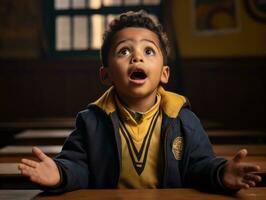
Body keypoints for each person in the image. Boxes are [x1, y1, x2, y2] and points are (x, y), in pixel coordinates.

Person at [18, 10, 261, 193]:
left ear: (164, 73)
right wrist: (59, 173)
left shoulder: (183, 119)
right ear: (106, 74)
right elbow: (78, 166)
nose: (136, 57)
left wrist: (221, 173)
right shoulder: (91, 121)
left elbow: (199, 167)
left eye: (148, 51)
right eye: (124, 51)